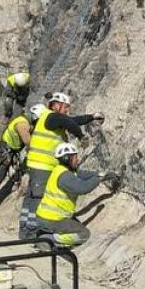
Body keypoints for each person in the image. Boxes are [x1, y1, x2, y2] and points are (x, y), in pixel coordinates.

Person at [19, 92, 104, 239]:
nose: (67, 110)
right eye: (65, 107)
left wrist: (91, 117)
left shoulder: (53, 119)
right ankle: (32, 233)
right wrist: (81, 136)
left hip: (39, 164)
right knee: (38, 199)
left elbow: (72, 120)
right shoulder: (51, 116)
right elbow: (69, 123)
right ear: (56, 105)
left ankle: (26, 230)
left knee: (32, 197)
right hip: (42, 165)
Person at [34, 142, 114, 248]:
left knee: (76, 225)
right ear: (67, 158)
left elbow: (83, 174)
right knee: (83, 234)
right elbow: (82, 188)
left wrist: (103, 175)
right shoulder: (65, 176)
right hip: (53, 219)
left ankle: (47, 235)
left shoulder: (61, 170)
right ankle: (48, 239)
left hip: (47, 217)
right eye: (75, 157)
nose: (78, 159)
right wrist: (98, 178)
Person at [0, 103, 47, 213]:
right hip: (4, 153)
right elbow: (28, 142)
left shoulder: (23, 120)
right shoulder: (22, 124)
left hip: (7, 152)